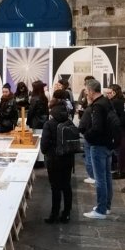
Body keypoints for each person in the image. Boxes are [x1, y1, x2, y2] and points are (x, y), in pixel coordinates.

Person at [81, 79, 114, 219]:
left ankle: (100, 210)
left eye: (87, 91)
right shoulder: (106, 101)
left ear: (91, 91)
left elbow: (97, 128)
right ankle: (105, 207)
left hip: (99, 145)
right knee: (106, 177)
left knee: (100, 179)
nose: (86, 94)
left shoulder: (98, 106)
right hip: (107, 144)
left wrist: (86, 135)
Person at [40, 92, 75, 224]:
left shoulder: (49, 124)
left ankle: (54, 214)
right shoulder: (69, 122)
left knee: (55, 187)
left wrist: (46, 152)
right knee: (66, 186)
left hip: (54, 159)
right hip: (68, 158)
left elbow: (44, 145)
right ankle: (66, 213)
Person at [107, 84, 125, 176]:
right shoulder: (122, 100)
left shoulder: (115, 102)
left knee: (117, 150)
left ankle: (120, 170)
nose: (107, 95)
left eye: (109, 93)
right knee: (118, 150)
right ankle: (119, 169)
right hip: (121, 128)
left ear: (114, 92)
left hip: (116, 129)